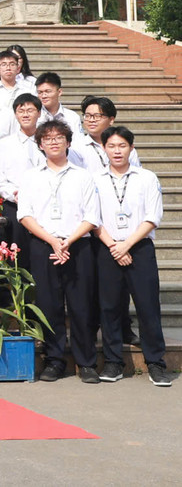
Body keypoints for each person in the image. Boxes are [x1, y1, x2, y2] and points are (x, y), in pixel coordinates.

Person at [18, 119, 101, 383]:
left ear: (68, 142)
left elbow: (92, 216)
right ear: (40, 145)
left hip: (78, 246)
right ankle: (54, 360)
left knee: (81, 305)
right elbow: (25, 215)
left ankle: (86, 362)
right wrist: (53, 241)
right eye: (48, 138)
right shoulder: (31, 177)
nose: (53, 142)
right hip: (43, 246)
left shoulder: (83, 175)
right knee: (48, 305)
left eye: (59, 137)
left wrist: (67, 241)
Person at [93, 126, 170, 387]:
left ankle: (156, 363)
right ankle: (114, 362)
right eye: (112, 146)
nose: (117, 150)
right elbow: (93, 219)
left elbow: (152, 217)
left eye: (122, 146)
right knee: (110, 307)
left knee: (148, 307)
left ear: (131, 148)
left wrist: (126, 245)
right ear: (104, 149)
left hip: (139, 248)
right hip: (107, 248)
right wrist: (115, 246)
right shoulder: (95, 179)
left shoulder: (146, 177)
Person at [0, 94, 44, 252]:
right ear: (15, 114)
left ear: (40, 113)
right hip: (15, 204)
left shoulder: (49, 141)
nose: (26, 114)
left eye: (30, 110)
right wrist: (15, 194)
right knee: (18, 253)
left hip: (45, 205)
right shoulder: (5, 144)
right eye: (21, 111)